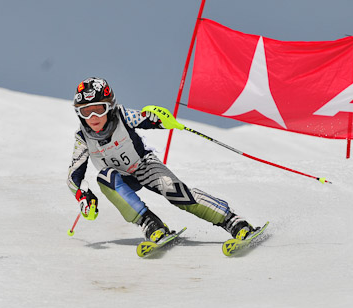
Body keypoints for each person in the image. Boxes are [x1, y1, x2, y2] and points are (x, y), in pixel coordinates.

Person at [67, 77, 257, 243]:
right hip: (121, 179)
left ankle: (232, 221)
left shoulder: (122, 115)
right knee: (105, 177)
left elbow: (145, 118)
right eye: (86, 112)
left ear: (110, 106)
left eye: (99, 110)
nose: (93, 117)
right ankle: (150, 224)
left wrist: (160, 119)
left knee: (176, 192)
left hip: (144, 165)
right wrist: (84, 197)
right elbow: (73, 176)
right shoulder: (82, 137)